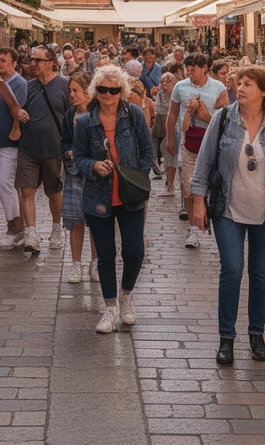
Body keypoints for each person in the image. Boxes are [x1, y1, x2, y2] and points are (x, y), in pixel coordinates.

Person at [188, 66, 265, 365]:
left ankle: (257, 335)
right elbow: (204, 163)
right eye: (238, 82)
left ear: (263, 91)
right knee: (232, 270)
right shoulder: (223, 118)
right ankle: (226, 339)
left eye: (247, 84)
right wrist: (197, 202)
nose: (240, 87)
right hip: (228, 210)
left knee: (260, 272)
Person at [72, 65, 155, 333]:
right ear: (95, 90)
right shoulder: (85, 122)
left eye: (114, 89)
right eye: (102, 89)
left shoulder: (134, 116)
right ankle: (109, 309)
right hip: (98, 196)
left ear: (122, 91)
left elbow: (146, 150)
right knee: (105, 255)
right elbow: (78, 158)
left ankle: (126, 295)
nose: (108, 94)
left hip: (129, 195)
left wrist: (136, 176)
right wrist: (93, 165)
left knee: (134, 252)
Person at [8, 45, 70, 252]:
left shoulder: (65, 85)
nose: (33, 64)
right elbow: (15, 108)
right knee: (26, 190)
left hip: (54, 148)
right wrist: (18, 114)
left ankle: (56, 228)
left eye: (38, 60)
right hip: (28, 147)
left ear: (51, 62)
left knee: (54, 192)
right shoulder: (28, 86)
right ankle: (31, 233)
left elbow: (72, 115)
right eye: (31, 60)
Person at [166, 53, 228, 248]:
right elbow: (173, 113)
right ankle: (193, 230)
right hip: (188, 143)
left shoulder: (218, 87)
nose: (190, 73)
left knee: (216, 184)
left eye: (193, 69)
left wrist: (204, 114)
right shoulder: (180, 86)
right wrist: (170, 139)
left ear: (204, 68)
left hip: (212, 143)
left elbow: (226, 117)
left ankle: (217, 221)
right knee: (188, 185)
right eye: (188, 69)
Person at [0, 48, 31, 249]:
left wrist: (14, 131)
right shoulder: (0, 82)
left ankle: (16, 228)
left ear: (15, 63)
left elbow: (17, 110)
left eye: (3, 60)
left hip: (8, 144)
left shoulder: (18, 83)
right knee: (1, 183)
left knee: (5, 183)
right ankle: (13, 226)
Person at [60, 71, 100, 283]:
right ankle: (76, 264)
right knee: (75, 220)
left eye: (76, 90)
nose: (72, 95)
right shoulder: (70, 115)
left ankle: (96, 263)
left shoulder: (99, 113)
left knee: (96, 220)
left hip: (95, 173)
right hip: (75, 172)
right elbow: (64, 140)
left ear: (88, 91)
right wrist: (68, 151)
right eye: (70, 91)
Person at [151, 72, 175, 181]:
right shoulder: (160, 94)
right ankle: (155, 160)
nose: (164, 84)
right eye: (162, 81)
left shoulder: (175, 94)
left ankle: (166, 166)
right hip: (160, 120)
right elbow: (157, 108)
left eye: (167, 82)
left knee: (164, 145)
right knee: (154, 138)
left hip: (170, 121)